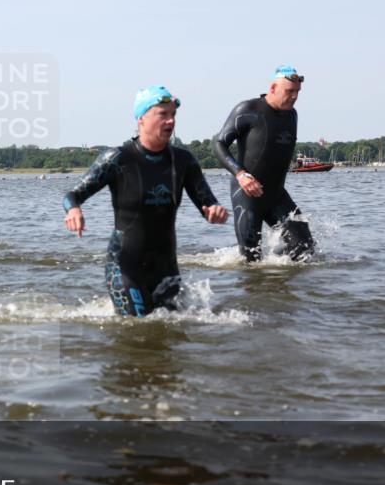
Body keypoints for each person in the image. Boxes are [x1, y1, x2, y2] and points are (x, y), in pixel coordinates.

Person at [63, 86, 228, 317]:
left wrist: (215, 212)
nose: (170, 121)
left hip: (167, 269)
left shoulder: (183, 161)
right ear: (141, 118)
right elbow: (72, 195)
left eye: (173, 115)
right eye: (163, 114)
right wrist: (73, 210)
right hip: (124, 268)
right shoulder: (118, 159)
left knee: (171, 337)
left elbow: (208, 204)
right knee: (138, 327)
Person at [213, 65, 315, 262]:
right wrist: (240, 174)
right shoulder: (248, 110)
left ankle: (278, 280)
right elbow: (218, 144)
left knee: (305, 247)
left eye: (297, 92)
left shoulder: (291, 114)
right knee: (251, 260)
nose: (294, 96)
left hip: (276, 195)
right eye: (289, 91)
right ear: (273, 88)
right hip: (247, 196)